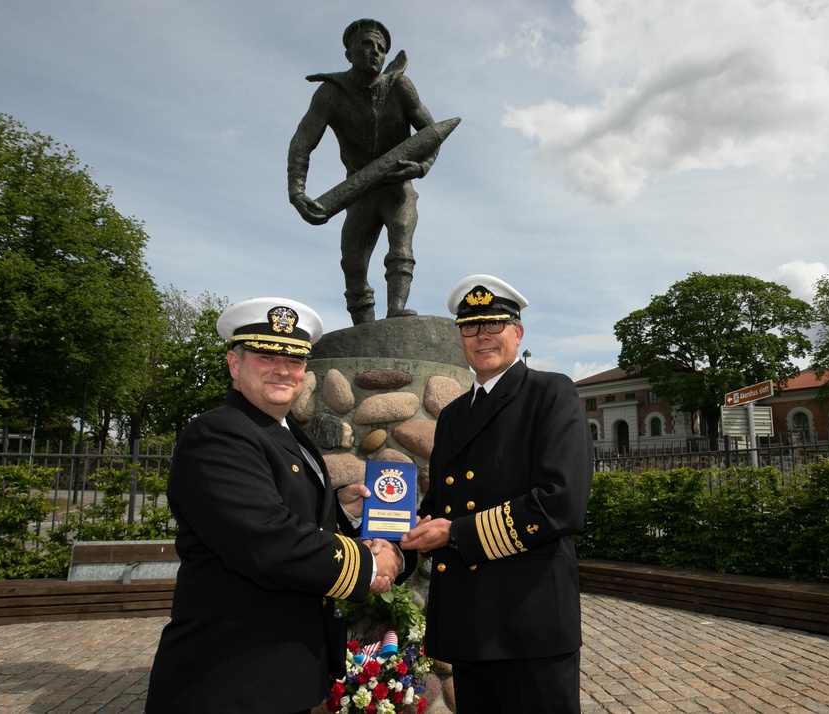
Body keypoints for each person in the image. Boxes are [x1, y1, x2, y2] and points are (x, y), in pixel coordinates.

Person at [145, 297, 403, 714]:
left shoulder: (285, 433)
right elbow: (265, 539)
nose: (284, 370)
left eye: (295, 360)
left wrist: (343, 511)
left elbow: (285, 511)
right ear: (234, 364)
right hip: (231, 677)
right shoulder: (218, 434)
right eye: (267, 356)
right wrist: (370, 565)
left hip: (280, 673)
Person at [399, 275, 594, 714]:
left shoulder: (550, 393)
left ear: (518, 332)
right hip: (469, 621)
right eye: (470, 326)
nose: (482, 335)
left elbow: (561, 503)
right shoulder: (451, 416)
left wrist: (454, 534)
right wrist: (396, 539)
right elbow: (436, 509)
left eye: (494, 324)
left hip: (529, 624)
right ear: (460, 338)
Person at [287, 18, 440, 325]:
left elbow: (431, 133)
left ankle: (396, 311)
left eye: (381, 49)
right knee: (352, 263)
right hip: (359, 193)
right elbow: (302, 143)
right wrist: (297, 191)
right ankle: (364, 331)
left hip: (397, 189)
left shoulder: (401, 88)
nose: (375, 52)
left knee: (401, 240)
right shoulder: (331, 94)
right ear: (349, 53)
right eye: (366, 45)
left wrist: (421, 166)